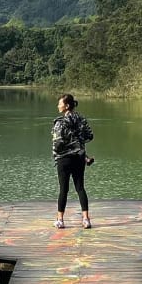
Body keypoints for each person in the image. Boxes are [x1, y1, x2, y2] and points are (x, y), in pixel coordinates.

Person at [51, 93, 94, 229]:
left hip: (64, 159)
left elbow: (57, 144)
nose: (58, 105)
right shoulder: (81, 119)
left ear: (67, 106)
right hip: (80, 157)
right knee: (80, 188)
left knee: (63, 189)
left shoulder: (60, 122)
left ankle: (60, 220)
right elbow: (90, 136)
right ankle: (86, 220)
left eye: (60, 103)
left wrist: (58, 154)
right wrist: (78, 142)